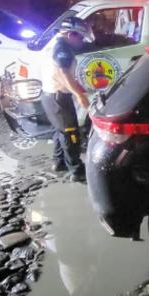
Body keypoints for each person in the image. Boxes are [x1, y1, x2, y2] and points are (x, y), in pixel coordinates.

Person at [40, 19, 92, 181]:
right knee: (71, 133)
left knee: (60, 131)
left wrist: (79, 89)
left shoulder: (55, 43)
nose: (81, 42)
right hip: (58, 97)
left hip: (49, 95)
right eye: (80, 38)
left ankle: (59, 162)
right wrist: (79, 95)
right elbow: (64, 74)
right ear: (71, 34)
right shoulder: (63, 49)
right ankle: (76, 170)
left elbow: (61, 74)